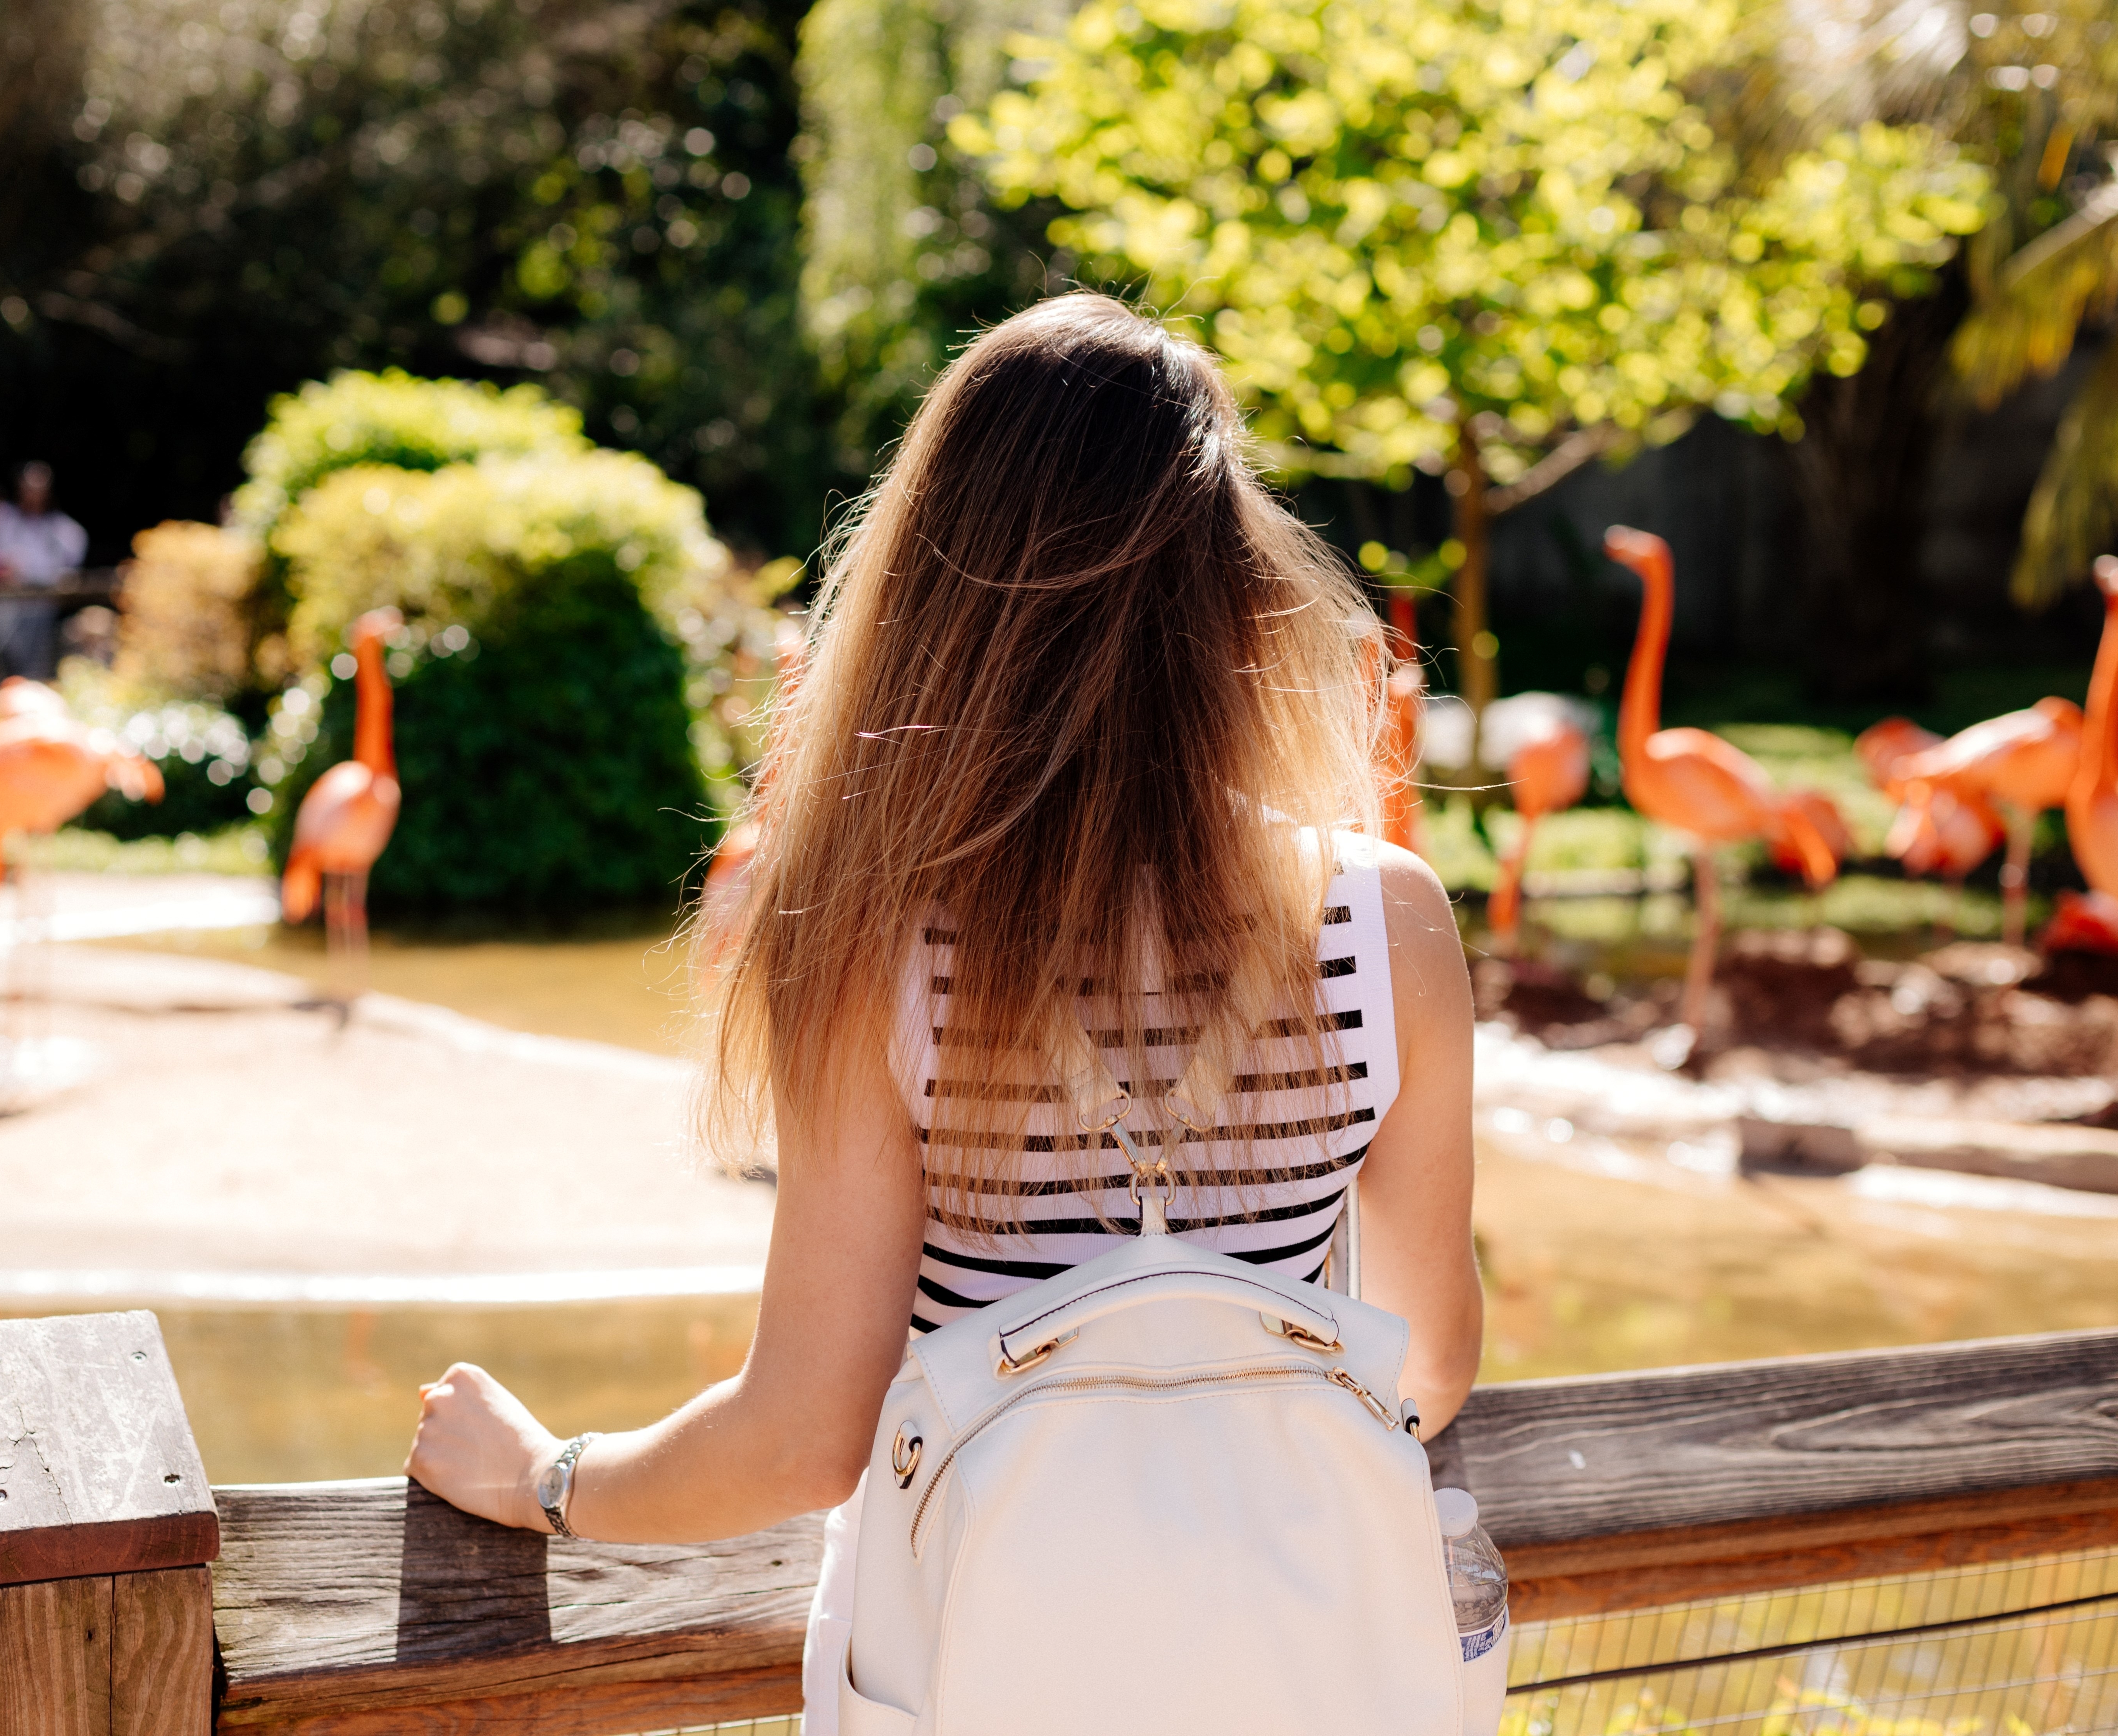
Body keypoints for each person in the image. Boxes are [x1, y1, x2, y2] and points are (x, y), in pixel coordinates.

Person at [403, 295, 1480, 1718]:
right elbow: (1429, 1356)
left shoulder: (875, 952)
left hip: (983, 1662)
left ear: (936, 594)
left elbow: (801, 1438)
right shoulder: (1381, 923)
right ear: (1235, 589)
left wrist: (541, 1477)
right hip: (1291, 1673)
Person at [0, 462, 83, 704]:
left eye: (38, 489)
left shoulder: (61, 529)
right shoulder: (5, 520)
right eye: (28, 489)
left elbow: (68, 563)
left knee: (32, 659)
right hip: (6, 601)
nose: (33, 495)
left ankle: (24, 701)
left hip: (42, 605)